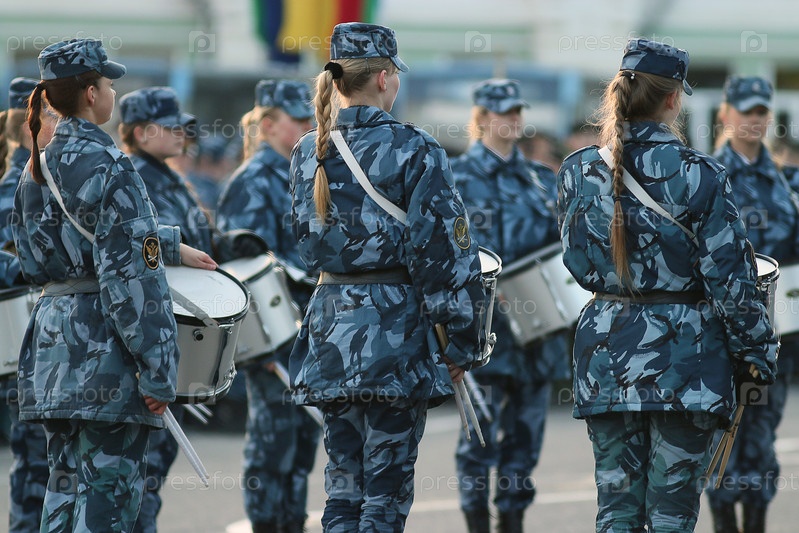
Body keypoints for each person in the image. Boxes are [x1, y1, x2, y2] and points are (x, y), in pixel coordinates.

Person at [557, 39, 778, 532]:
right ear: (674, 99)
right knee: (672, 515)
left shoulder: (577, 171)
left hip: (605, 353)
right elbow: (730, 280)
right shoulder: (702, 174)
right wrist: (758, 353)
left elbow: (576, 263)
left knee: (615, 512)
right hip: (686, 359)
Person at [11, 38, 216, 532]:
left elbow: (33, 263)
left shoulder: (36, 165)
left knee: (62, 496)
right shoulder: (112, 166)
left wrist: (168, 244)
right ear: (90, 93)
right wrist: (159, 366)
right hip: (107, 355)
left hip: (53, 350)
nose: (113, 93)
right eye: (107, 83)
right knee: (107, 505)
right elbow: (133, 276)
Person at [289, 22, 485, 532]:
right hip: (395, 335)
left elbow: (305, 247)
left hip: (330, 329)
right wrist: (460, 342)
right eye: (394, 73)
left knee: (342, 487)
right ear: (382, 78)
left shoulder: (307, 150)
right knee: (384, 494)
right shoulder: (416, 147)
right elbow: (443, 253)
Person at [450, 79, 564, 533]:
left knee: (525, 438)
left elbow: (559, 248)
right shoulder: (454, 177)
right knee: (477, 438)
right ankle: (477, 522)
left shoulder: (540, 179)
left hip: (535, 327)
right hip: (480, 328)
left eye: (518, 111)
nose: (514, 119)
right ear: (481, 118)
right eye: (504, 111)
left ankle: (512, 521)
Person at [216, 79, 319, 533]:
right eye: (297, 119)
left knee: (301, 444)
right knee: (272, 445)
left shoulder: (304, 172)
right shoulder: (254, 180)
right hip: (273, 333)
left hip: (307, 327)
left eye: (308, 118)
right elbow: (242, 267)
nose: (307, 126)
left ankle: (289, 523)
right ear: (270, 124)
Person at [704, 75, 799, 533]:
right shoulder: (705, 175)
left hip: (775, 332)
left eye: (762, 111)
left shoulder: (785, 181)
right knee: (720, 438)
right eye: (746, 110)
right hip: (718, 332)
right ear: (725, 114)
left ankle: (756, 521)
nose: (755, 119)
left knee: (761, 438)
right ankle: (724, 521)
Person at [116, 85, 212, 533]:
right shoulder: (136, 178)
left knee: (153, 468)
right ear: (140, 132)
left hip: (174, 333)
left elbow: (196, 240)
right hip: (150, 332)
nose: (181, 134)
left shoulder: (167, 176)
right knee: (143, 467)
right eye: (169, 126)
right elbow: (138, 249)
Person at [1, 76, 57, 533]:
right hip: (24, 341)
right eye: (53, 116)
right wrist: (31, 268)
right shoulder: (16, 185)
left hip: (46, 341)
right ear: (29, 126)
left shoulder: (46, 176)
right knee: (36, 469)